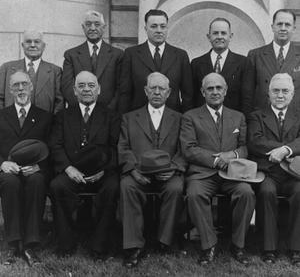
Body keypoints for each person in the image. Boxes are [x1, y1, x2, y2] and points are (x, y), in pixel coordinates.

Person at [180, 72, 255, 266]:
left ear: (226, 91)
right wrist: (215, 161)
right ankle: (208, 245)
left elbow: (245, 147)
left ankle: (238, 245)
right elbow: (188, 149)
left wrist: (232, 156)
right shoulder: (190, 117)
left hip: (232, 174)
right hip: (203, 173)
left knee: (246, 193)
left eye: (218, 88)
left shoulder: (238, 117)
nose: (215, 92)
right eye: (210, 88)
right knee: (195, 194)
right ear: (202, 92)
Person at [50, 71, 120, 259]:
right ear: (74, 90)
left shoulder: (111, 115)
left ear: (99, 89)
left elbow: (116, 147)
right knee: (57, 186)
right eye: (81, 86)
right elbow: (55, 145)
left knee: (113, 187)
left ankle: (100, 245)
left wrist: (104, 171)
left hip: (102, 173)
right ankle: (66, 244)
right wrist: (68, 168)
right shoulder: (63, 115)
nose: (86, 89)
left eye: (91, 85)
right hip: (73, 170)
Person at [119, 72, 186, 268]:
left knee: (175, 188)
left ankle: (165, 241)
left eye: (161, 89)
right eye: (153, 88)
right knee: (127, 186)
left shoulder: (180, 118)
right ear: (146, 91)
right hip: (138, 171)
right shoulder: (130, 118)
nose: (157, 92)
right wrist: (133, 170)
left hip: (169, 172)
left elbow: (184, 149)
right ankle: (134, 246)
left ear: (169, 92)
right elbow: (123, 147)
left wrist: (173, 168)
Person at [248, 73, 300, 266]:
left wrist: (285, 149)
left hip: (294, 173)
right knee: (267, 192)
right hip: (268, 172)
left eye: (285, 91)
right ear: (268, 94)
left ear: (292, 94)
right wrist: (287, 147)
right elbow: (255, 142)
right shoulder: (256, 116)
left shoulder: (299, 115)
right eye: (275, 91)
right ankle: (268, 248)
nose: (280, 95)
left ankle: (296, 248)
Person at [0, 71, 52, 266]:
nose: (20, 89)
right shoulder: (1, 116)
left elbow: (52, 147)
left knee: (37, 181)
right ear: (11, 90)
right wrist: (2, 164)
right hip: (8, 171)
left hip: (35, 170)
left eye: (24, 84)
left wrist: (39, 166)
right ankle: (14, 244)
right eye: (16, 86)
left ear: (31, 87)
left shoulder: (45, 117)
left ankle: (31, 244)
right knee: (9, 182)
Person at [118, 9, 193, 114]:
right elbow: (125, 92)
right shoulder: (131, 54)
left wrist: (185, 121)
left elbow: (188, 95)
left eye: (163, 26)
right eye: (154, 26)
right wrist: (124, 121)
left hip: (173, 120)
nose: (159, 30)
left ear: (167, 28)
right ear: (146, 29)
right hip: (139, 119)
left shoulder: (180, 56)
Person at [192, 17, 254, 117]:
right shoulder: (196, 63)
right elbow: (193, 98)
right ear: (209, 37)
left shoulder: (244, 63)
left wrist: (242, 125)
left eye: (223, 33)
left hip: (233, 122)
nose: (220, 37)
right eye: (215, 33)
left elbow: (247, 99)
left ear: (231, 36)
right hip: (203, 123)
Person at [61, 10, 123, 110]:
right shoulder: (71, 55)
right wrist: (82, 109)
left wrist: (109, 111)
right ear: (83, 27)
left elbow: (121, 88)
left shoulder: (117, 55)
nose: (93, 28)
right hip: (79, 113)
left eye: (97, 24)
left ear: (104, 27)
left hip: (109, 115)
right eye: (88, 24)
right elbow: (67, 87)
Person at [247, 9, 300, 111]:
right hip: (263, 119)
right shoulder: (255, 55)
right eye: (279, 24)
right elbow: (248, 94)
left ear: (294, 29)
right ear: (272, 27)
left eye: (287, 25)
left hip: (295, 120)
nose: (283, 28)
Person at [0, 30, 63, 114]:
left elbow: (59, 102)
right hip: (11, 124)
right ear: (22, 45)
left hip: (44, 125)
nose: (32, 45)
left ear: (43, 46)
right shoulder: (7, 68)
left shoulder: (55, 71)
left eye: (37, 42)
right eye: (28, 42)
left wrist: (52, 125)